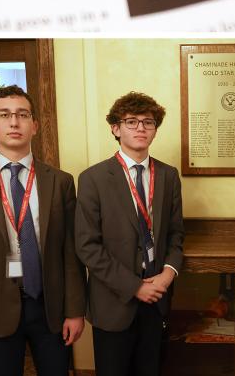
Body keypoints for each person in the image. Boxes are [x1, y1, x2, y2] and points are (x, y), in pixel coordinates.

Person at [0, 85, 86, 375]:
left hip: (51, 308)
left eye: (22, 114)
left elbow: (71, 253)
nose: (14, 122)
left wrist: (75, 310)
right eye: (5, 115)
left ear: (35, 126)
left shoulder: (61, 182)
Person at [75, 92, 184, 376]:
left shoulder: (168, 175)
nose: (140, 128)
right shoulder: (93, 179)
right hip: (114, 302)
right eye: (131, 121)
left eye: (148, 122)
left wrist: (168, 274)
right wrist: (135, 287)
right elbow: (87, 246)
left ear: (155, 130)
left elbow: (176, 234)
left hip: (157, 298)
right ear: (115, 128)